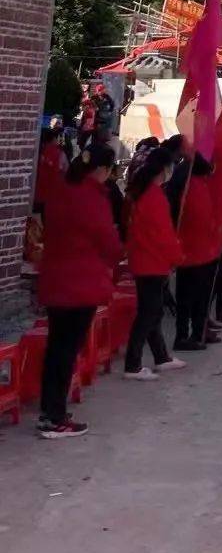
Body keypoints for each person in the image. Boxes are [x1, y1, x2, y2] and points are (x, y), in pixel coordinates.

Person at [36, 139, 123, 437]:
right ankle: (55, 417)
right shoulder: (92, 197)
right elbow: (107, 240)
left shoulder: (63, 190)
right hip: (80, 283)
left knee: (56, 347)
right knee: (66, 350)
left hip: (56, 278)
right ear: (100, 169)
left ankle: (49, 410)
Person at [124, 145, 185, 380]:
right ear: (164, 169)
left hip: (147, 260)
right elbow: (163, 235)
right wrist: (176, 256)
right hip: (151, 263)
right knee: (148, 314)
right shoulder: (154, 197)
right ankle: (133, 364)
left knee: (153, 312)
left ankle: (161, 357)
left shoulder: (147, 193)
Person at [175, 153, 222, 350]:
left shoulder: (191, 185)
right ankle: (192, 334)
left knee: (189, 298)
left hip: (191, 251)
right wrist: (217, 228)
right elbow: (202, 220)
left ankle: (193, 332)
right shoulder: (195, 187)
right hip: (199, 251)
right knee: (197, 297)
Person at [34, 125, 67, 217]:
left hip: (35, 195)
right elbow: (66, 172)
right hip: (52, 196)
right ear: (53, 139)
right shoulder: (60, 154)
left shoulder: (36, 152)